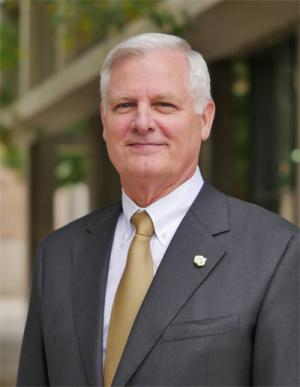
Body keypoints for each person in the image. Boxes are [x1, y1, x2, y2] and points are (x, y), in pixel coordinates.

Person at [17, 33, 299, 387]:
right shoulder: (58, 255)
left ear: (205, 119)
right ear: (104, 121)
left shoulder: (275, 252)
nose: (143, 122)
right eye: (125, 105)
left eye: (164, 104)